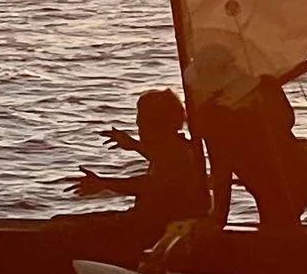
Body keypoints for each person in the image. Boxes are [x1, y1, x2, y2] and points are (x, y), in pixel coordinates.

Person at [194, 72, 307, 234]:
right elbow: (221, 173)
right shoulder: (261, 88)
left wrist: (218, 220)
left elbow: (221, 174)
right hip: (271, 177)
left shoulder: (215, 113)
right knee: (306, 154)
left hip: (278, 174)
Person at [76, 87, 208, 231]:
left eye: (142, 126)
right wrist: (134, 145)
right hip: (145, 220)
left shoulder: (176, 153)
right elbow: (161, 160)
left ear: (157, 126)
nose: (140, 132)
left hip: (152, 226)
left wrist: (104, 184)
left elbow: (149, 184)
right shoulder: (176, 147)